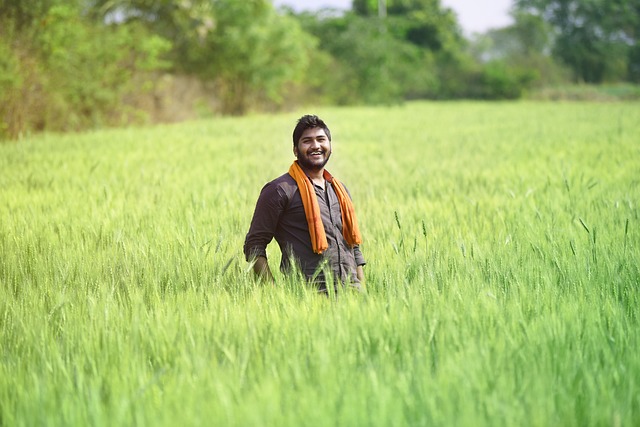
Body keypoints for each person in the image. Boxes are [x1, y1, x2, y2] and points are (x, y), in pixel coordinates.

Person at [243, 114, 365, 293]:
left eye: (321, 139)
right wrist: (274, 293)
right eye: (307, 141)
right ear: (295, 149)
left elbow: (353, 246)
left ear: (330, 146)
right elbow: (254, 245)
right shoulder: (279, 190)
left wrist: (362, 288)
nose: (315, 145)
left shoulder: (340, 190)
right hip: (310, 297)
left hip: (352, 296)